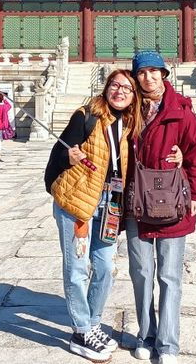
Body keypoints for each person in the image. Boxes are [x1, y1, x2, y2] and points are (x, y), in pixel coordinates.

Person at [45, 69, 141, 362]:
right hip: (78, 204)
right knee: (76, 269)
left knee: (105, 268)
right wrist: (68, 157)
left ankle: (93, 323)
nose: (120, 91)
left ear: (134, 95)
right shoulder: (85, 115)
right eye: (115, 85)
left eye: (126, 87)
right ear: (106, 87)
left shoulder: (130, 124)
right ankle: (82, 331)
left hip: (110, 206)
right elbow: (59, 152)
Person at [126, 51, 196, 364]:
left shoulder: (181, 113)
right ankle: (146, 335)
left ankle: (169, 344)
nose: (149, 77)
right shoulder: (127, 112)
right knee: (142, 273)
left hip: (173, 202)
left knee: (170, 276)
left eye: (154, 71)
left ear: (164, 74)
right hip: (137, 203)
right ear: (136, 78)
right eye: (142, 72)